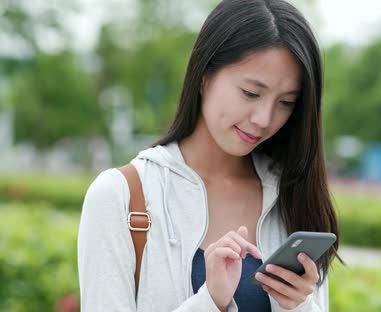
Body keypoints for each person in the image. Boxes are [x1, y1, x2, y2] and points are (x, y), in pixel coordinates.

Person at [77, 0, 341, 311]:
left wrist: (299, 305)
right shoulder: (121, 195)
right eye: (251, 93)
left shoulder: (293, 195)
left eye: (286, 102)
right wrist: (209, 302)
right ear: (204, 76)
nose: (264, 118)